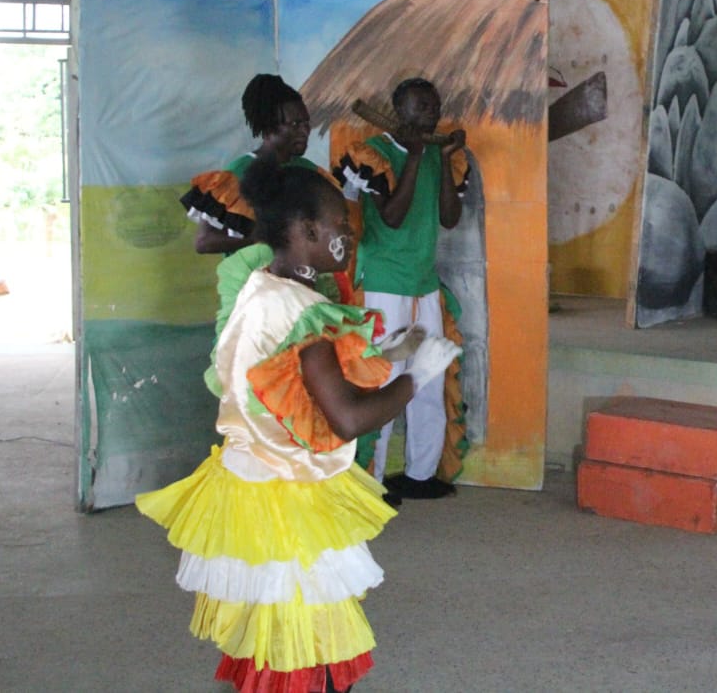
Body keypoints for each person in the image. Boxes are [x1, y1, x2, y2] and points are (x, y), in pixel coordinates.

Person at [136, 157, 462, 693]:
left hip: (249, 483)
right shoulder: (302, 309)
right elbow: (348, 417)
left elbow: (284, 376)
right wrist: (417, 377)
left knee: (276, 643)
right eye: (340, 226)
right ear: (307, 230)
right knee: (310, 656)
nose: (350, 235)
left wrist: (382, 350)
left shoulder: (261, 284)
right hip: (284, 499)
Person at [334, 77, 469, 499]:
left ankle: (421, 474)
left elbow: (449, 218)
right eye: (419, 106)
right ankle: (368, 482)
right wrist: (413, 158)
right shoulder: (373, 155)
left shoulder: (437, 153)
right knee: (383, 378)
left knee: (428, 378)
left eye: (434, 104)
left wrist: (442, 160)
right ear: (398, 111)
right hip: (383, 286)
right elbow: (391, 216)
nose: (430, 111)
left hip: (424, 285)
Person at [181, 74, 321, 256]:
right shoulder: (238, 173)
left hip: (296, 280)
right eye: (295, 124)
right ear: (269, 126)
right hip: (253, 282)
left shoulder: (308, 170)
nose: (305, 130)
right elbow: (204, 242)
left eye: (306, 122)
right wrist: (268, 237)